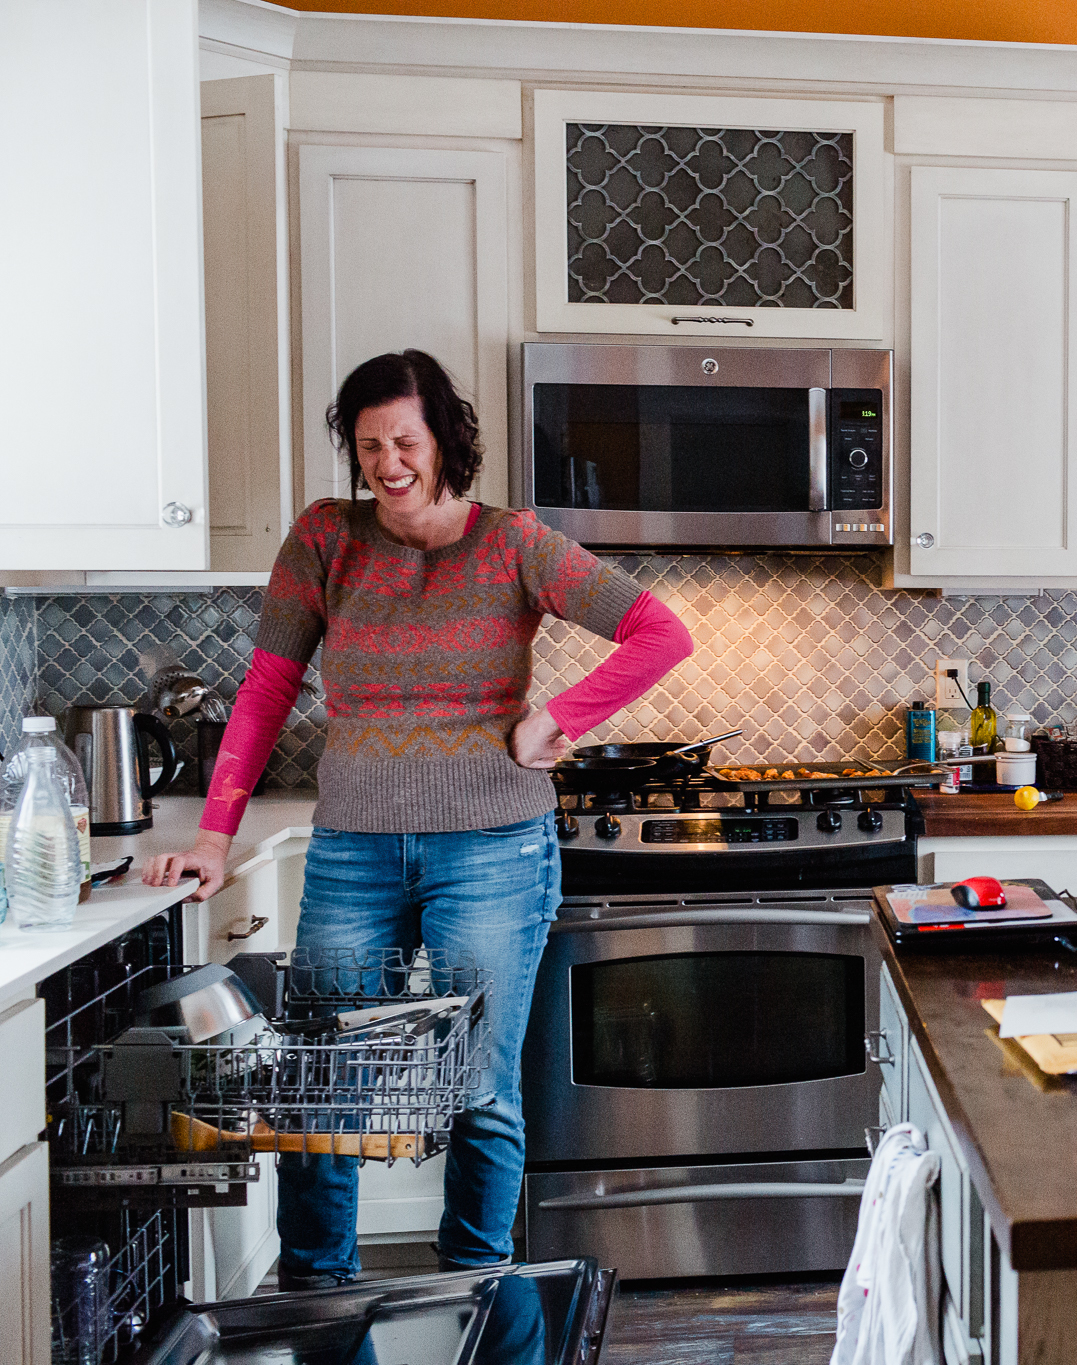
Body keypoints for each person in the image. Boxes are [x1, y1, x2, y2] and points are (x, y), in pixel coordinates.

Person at [142, 350, 695, 1287]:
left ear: (445, 438)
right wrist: (212, 835)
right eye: (367, 445)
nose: (388, 463)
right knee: (326, 1086)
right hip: (354, 849)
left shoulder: (515, 541)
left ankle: (474, 1287)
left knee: (479, 1085)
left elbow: (660, 633)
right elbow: (267, 690)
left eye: (405, 440)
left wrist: (557, 718)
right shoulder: (326, 537)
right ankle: (320, 1293)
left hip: (493, 850)